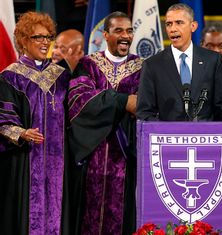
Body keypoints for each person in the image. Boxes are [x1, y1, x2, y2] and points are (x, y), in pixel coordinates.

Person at [66, 11, 142, 235]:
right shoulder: (88, 65)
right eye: (118, 30)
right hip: (92, 155)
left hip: (127, 157)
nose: (125, 36)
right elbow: (80, 102)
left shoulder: (143, 68)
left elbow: (146, 108)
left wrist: (108, 101)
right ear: (105, 35)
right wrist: (122, 102)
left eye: (129, 30)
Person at [0, 11, 71, 234]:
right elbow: (3, 117)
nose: (44, 42)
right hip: (25, 159)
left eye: (48, 37)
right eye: (37, 37)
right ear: (23, 41)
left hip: (59, 160)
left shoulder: (61, 75)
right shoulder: (10, 77)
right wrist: (20, 132)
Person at [136, 3, 222, 121]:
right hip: (169, 137)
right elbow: (144, 113)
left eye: (179, 23)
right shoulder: (152, 65)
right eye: (169, 24)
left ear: (193, 26)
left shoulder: (212, 60)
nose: (173, 29)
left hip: (204, 137)